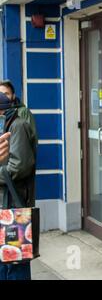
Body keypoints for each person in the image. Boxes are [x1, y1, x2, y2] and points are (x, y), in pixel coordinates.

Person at [0, 92, 37, 280]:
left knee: (15, 261)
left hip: (13, 208)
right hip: (3, 207)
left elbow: (19, 166)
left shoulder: (17, 126)